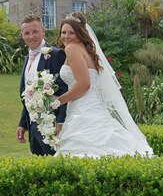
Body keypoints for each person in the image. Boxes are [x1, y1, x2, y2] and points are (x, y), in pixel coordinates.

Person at [52, 12, 153, 157]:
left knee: (82, 151)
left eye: (71, 33)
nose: (66, 36)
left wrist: (59, 100)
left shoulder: (72, 49)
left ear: (80, 33)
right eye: (63, 32)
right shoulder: (86, 50)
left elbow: (84, 84)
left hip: (83, 110)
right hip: (92, 107)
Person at [17, 14, 68, 156]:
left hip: (52, 126)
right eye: (27, 33)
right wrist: (22, 124)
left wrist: (60, 121)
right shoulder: (28, 57)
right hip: (33, 125)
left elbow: (64, 91)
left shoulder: (56, 55)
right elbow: (28, 94)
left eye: (35, 31)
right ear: (22, 35)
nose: (31, 36)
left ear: (43, 32)